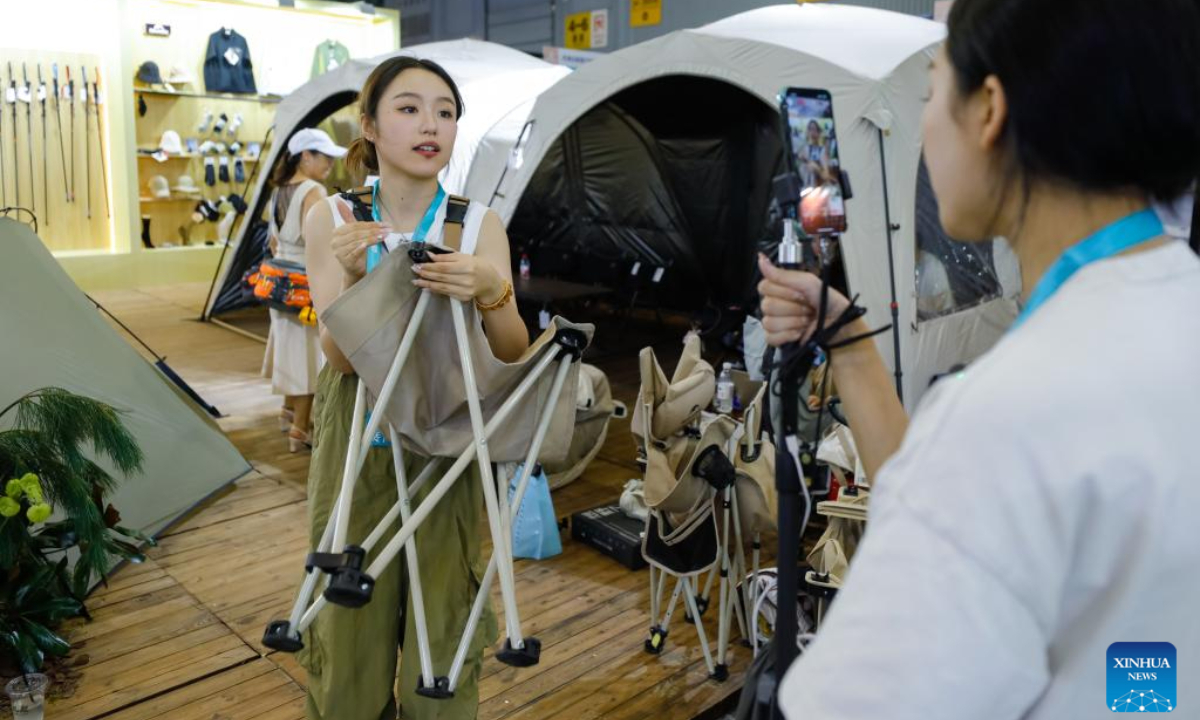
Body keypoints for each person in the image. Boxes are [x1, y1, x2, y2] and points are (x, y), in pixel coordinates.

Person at [758, 0, 1200, 717]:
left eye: (933, 92)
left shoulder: (1008, 414)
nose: (929, 126)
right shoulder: (1171, 314)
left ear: (989, 109)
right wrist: (846, 338)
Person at [300, 56, 527, 720]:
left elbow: (512, 351)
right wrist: (347, 280)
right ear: (369, 126)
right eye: (408, 108)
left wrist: (494, 291)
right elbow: (340, 361)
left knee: (444, 610)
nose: (431, 124)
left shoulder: (478, 224)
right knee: (347, 623)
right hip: (357, 434)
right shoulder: (333, 217)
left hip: (446, 430)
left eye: (445, 111)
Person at [262, 128, 343, 452]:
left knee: (290, 350)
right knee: (312, 356)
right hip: (305, 284)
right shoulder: (313, 190)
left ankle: (287, 412)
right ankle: (300, 429)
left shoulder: (278, 190)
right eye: (325, 158)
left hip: (279, 281)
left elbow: (272, 240)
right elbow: (320, 243)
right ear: (305, 156)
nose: (330, 166)